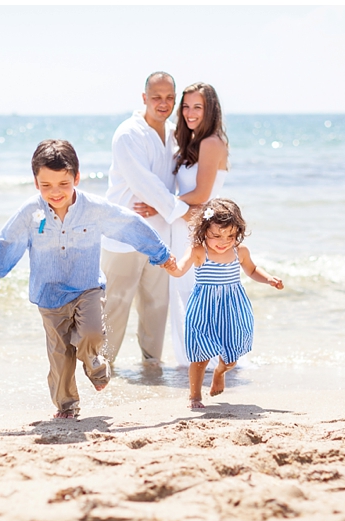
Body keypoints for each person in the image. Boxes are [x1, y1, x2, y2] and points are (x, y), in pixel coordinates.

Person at [0, 139, 176, 419]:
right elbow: (6, 243)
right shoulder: (31, 213)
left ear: (77, 178)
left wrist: (161, 254)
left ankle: (94, 363)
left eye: (63, 184)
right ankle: (67, 406)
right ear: (36, 183)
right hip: (49, 296)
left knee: (92, 332)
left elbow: (127, 224)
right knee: (60, 357)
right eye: (46, 185)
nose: (55, 192)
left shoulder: (93, 209)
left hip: (87, 287)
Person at [101, 72, 193, 364]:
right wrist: (183, 211)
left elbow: (170, 183)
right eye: (156, 97)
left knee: (157, 307)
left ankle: (152, 369)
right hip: (124, 235)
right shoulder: (128, 133)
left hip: (160, 236)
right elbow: (144, 183)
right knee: (114, 308)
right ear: (144, 99)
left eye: (169, 97)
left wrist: (168, 206)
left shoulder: (174, 134)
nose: (163, 103)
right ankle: (102, 372)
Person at [136, 82, 228, 368]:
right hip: (182, 225)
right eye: (185, 106)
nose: (189, 112)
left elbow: (202, 195)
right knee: (182, 295)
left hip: (199, 229)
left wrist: (161, 205)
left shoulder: (212, 142)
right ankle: (190, 363)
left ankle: (208, 364)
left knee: (197, 297)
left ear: (210, 109)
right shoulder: (190, 142)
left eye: (197, 107)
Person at [163, 198, 284, 409]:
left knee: (231, 358)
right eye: (216, 235)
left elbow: (252, 270)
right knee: (199, 356)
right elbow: (179, 270)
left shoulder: (240, 251)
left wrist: (269, 279)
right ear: (204, 231)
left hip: (232, 307)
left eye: (230, 235)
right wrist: (168, 265)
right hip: (204, 308)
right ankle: (195, 396)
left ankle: (219, 372)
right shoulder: (198, 251)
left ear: (238, 231)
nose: (224, 241)